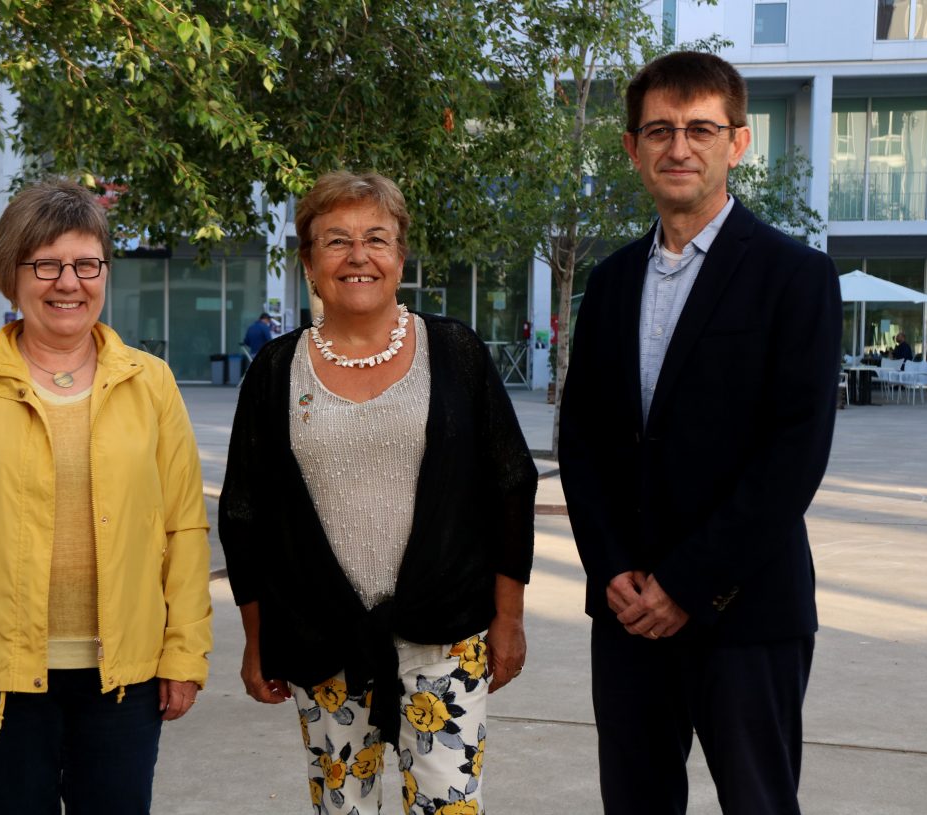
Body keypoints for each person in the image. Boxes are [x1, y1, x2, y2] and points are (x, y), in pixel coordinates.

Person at [558, 52, 841, 814]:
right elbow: (582, 441)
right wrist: (610, 568)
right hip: (627, 613)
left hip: (746, 610)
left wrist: (687, 582)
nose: (678, 147)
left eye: (700, 129)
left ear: (738, 142)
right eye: (659, 130)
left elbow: (793, 455)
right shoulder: (610, 282)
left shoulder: (796, 276)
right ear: (632, 148)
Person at [219, 170, 537, 814]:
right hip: (322, 640)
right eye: (336, 240)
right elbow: (244, 514)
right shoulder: (276, 371)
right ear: (309, 263)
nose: (357, 255)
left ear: (400, 257)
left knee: (449, 806)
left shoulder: (455, 352)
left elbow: (511, 485)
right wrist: (257, 641)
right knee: (342, 808)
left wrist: (508, 620)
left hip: (446, 637)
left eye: (376, 238)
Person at [0, 180, 213, 815]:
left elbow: (183, 526)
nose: (68, 282)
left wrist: (184, 652)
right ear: (10, 276)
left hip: (124, 679)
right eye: (46, 264)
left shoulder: (150, 382)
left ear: (104, 273)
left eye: (86, 264)